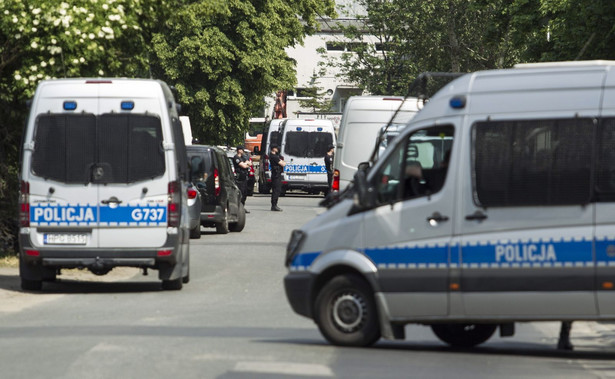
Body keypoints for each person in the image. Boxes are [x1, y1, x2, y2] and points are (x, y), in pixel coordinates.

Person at [232, 146, 252, 213]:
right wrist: (246, 163)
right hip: (239, 177)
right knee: (240, 193)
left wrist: (246, 163)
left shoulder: (243, 157)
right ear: (239, 150)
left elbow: (250, 163)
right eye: (241, 150)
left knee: (245, 193)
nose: (242, 151)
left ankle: (242, 207)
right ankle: (238, 208)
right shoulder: (236, 157)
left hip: (244, 176)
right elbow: (243, 166)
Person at [269, 144, 285, 211]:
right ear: (273, 149)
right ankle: (274, 205)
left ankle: (275, 205)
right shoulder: (274, 156)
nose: (278, 149)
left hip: (277, 175)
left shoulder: (275, 156)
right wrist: (282, 161)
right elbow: (283, 164)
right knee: (276, 190)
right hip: (276, 175)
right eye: (276, 148)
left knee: (277, 190)